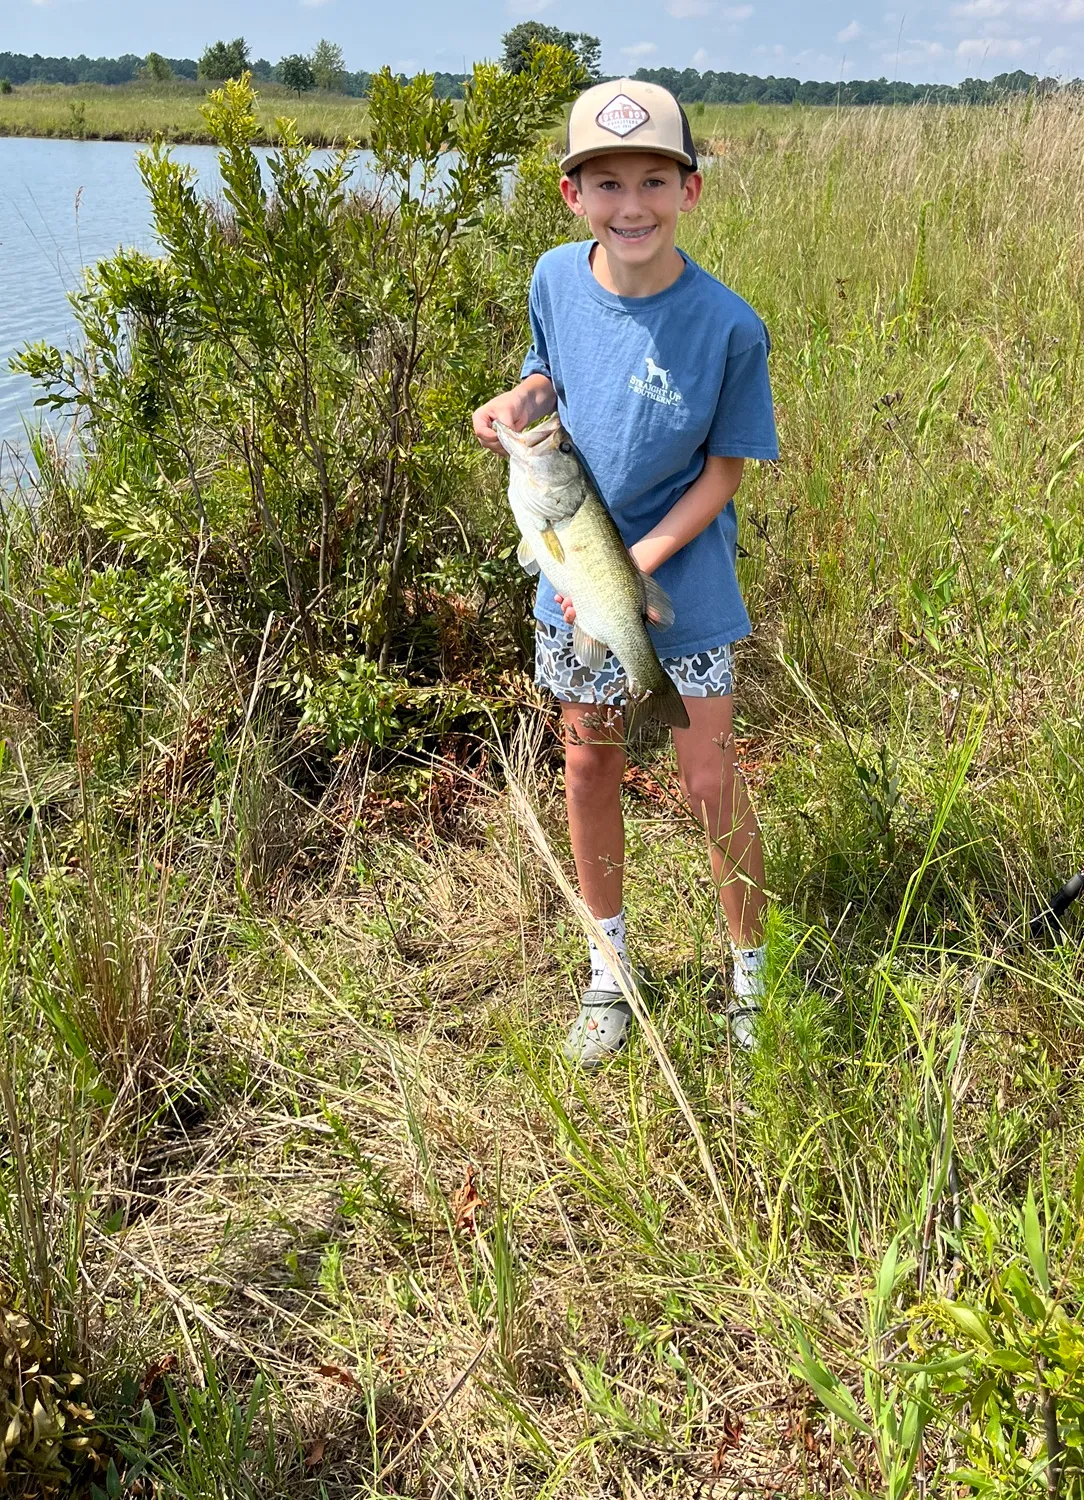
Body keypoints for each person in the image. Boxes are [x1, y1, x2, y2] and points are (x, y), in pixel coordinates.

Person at [472, 79, 779, 1066]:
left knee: (706, 778)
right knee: (590, 759)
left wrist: (637, 563)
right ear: (572, 196)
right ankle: (611, 969)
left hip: (680, 592)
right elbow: (543, 369)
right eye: (606, 183)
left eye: (655, 179)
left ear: (691, 189)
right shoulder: (555, 277)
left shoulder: (730, 325)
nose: (631, 204)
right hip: (571, 585)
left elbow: (726, 468)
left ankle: (752, 977)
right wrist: (514, 403)